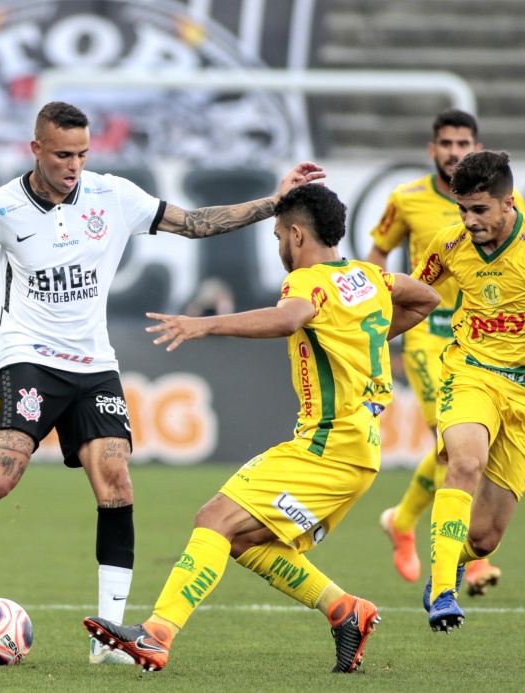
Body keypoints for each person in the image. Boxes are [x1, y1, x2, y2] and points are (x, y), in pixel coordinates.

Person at [0, 101, 326, 665]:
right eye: (63, 155)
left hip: (93, 363)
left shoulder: (113, 196)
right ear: (35, 149)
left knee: (116, 481)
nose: (75, 165)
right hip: (27, 357)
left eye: (83, 154)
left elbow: (194, 223)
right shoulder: (2, 206)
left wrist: (274, 203)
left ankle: (106, 637)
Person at [83, 183, 440, 673]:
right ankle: (345, 611)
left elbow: (287, 320)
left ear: (296, 234)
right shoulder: (367, 278)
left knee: (214, 520)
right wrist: (364, 333)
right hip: (355, 451)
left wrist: (203, 325)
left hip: (328, 446)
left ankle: (157, 634)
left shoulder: (308, 281)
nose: (277, 246)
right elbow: (427, 297)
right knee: (247, 541)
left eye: (277, 235)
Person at [412, 150, 525, 631]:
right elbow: (410, 295)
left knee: (486, 538)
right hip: (471, 370)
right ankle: (444, 588)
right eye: (461, 210)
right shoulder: (449, 246)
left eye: (479, 210)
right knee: (465, 461)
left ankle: (456, 560)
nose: (468, 221)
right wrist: (370, 340)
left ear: (508, 203)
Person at [366, 109, 525, 595]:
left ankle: (403, 519)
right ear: (432, 150)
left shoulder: (499, 202)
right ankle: (469, 560)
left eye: (464, 143)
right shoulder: (406, 199)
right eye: (446, 143)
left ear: (474, 147)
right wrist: (376, 316)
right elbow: (378, 255)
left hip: (480, 338)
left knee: (458, 448)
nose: (454, 151)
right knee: (457, 440)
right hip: (427, 331)